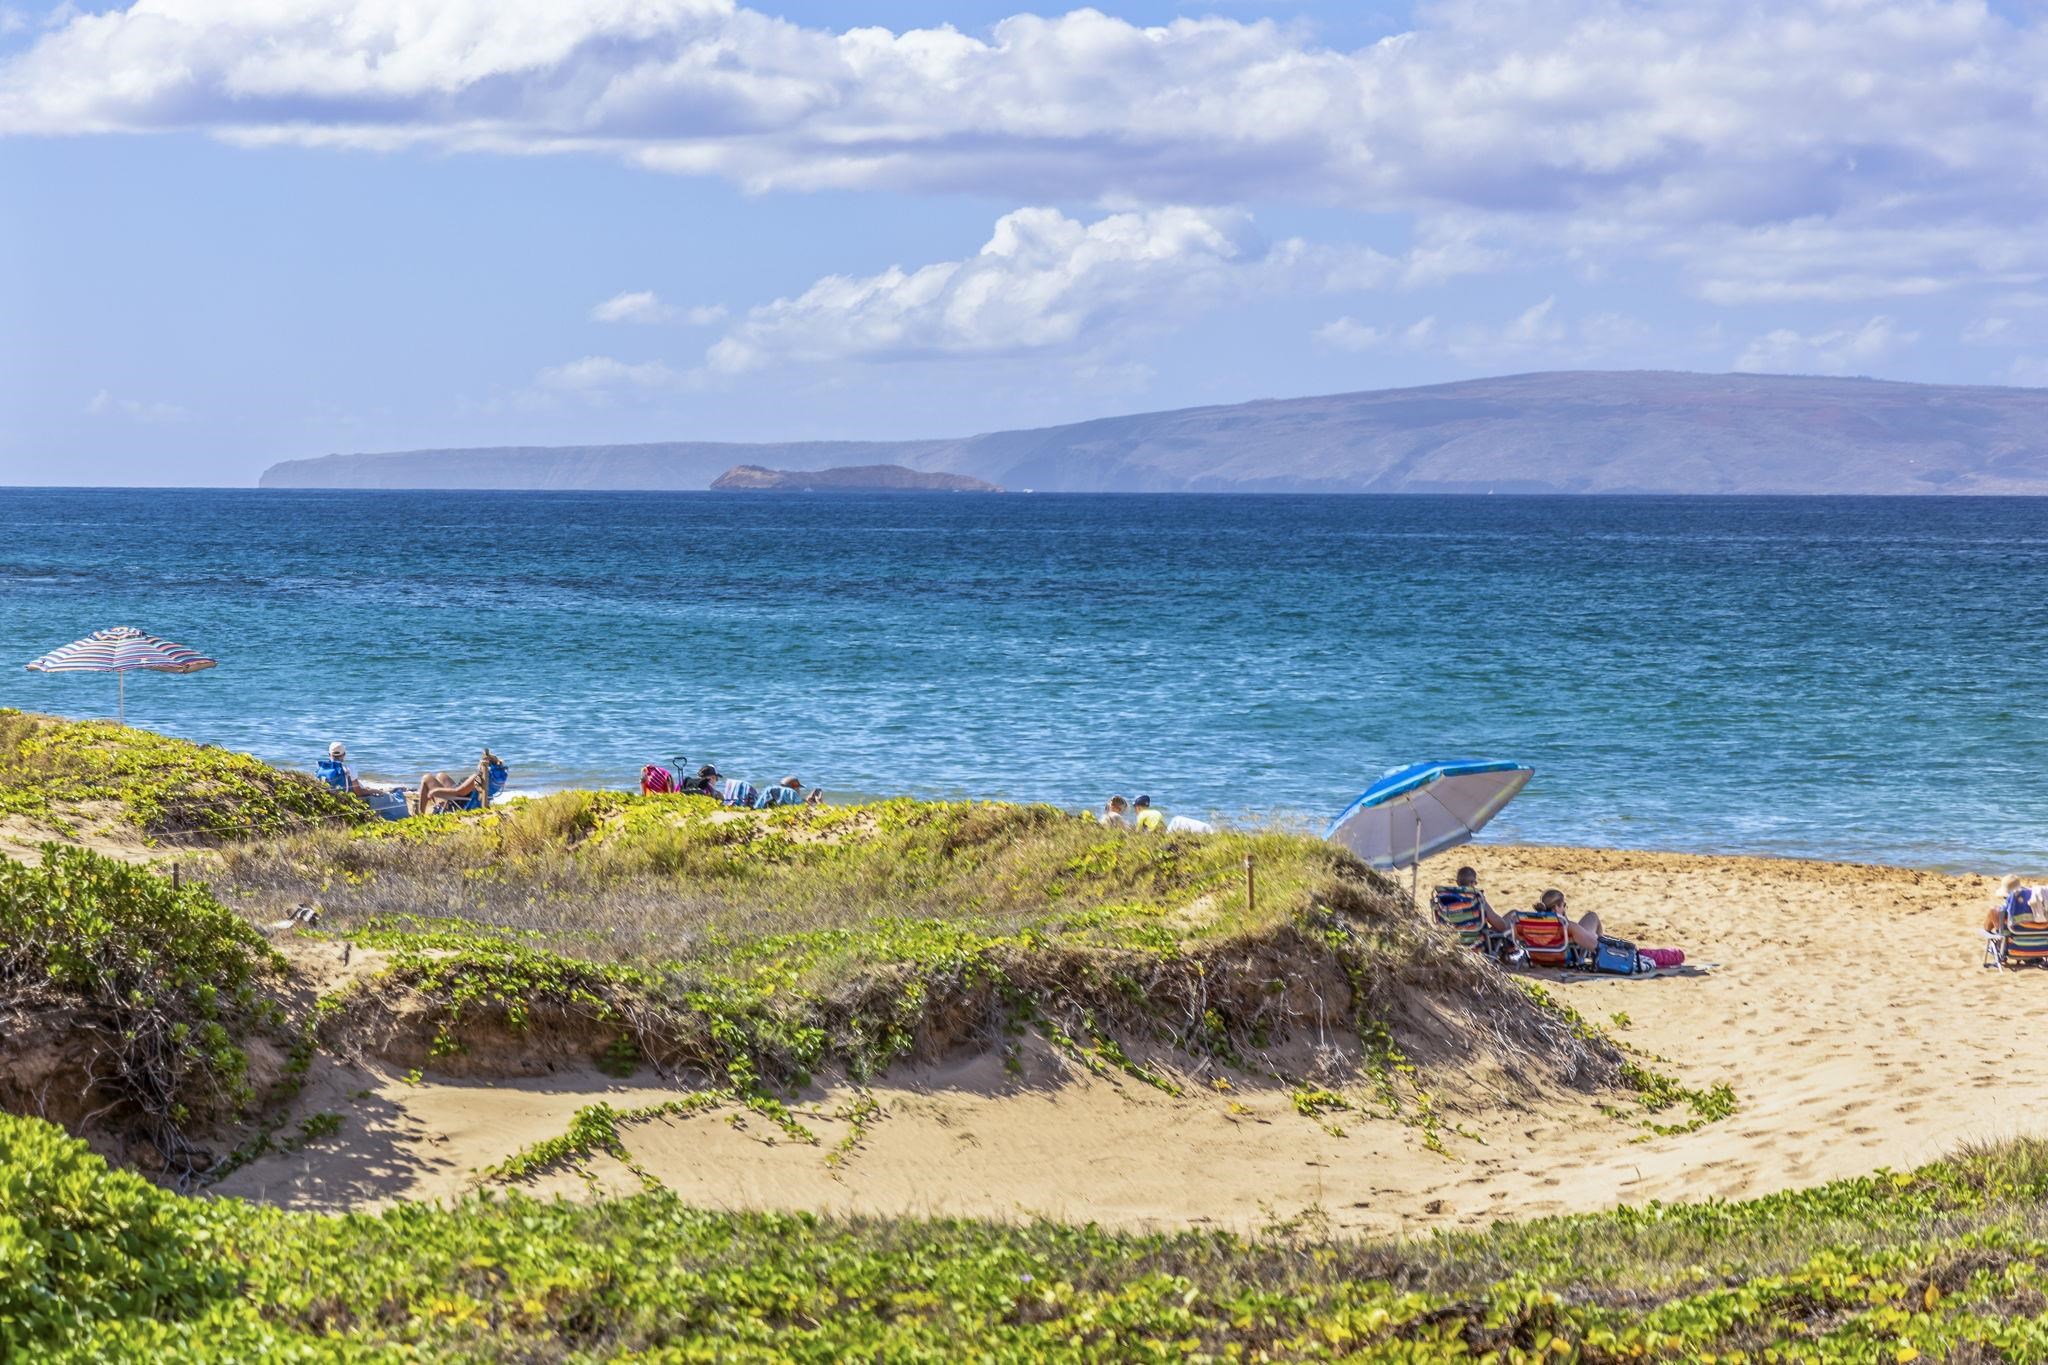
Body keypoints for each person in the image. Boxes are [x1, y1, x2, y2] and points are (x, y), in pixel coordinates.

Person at [1514, 888, 1603, 953]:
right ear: (1556, 907)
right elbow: (1595, 946)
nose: (1564, 908)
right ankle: (1602, 939)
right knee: (1592, 916)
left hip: (1538, 957)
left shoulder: (1529, 923)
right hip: (1564, 955)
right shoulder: (1567, 927)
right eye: (1564, 905)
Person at [416, 748, 501, 815]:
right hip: (466, 799)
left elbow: (459, 792)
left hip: (455, 803)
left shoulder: (477, 777)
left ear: (483, 765)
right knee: (441, 775)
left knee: (426, 778)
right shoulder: (490, 777)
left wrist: (435, 791)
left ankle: (420, 814)